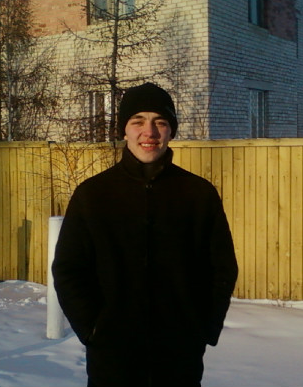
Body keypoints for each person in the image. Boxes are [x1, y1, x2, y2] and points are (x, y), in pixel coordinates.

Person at [52, 82, 238, 387]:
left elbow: (222, 267)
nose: (149, 132)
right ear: (124, 130)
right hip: (112, 358)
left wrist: (203, 327)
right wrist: (93, 329)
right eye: (138, 121)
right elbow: (69, 269)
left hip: (180, 357)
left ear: (170, 131)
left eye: (160, 122)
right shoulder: (93, 195)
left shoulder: (198, 194)